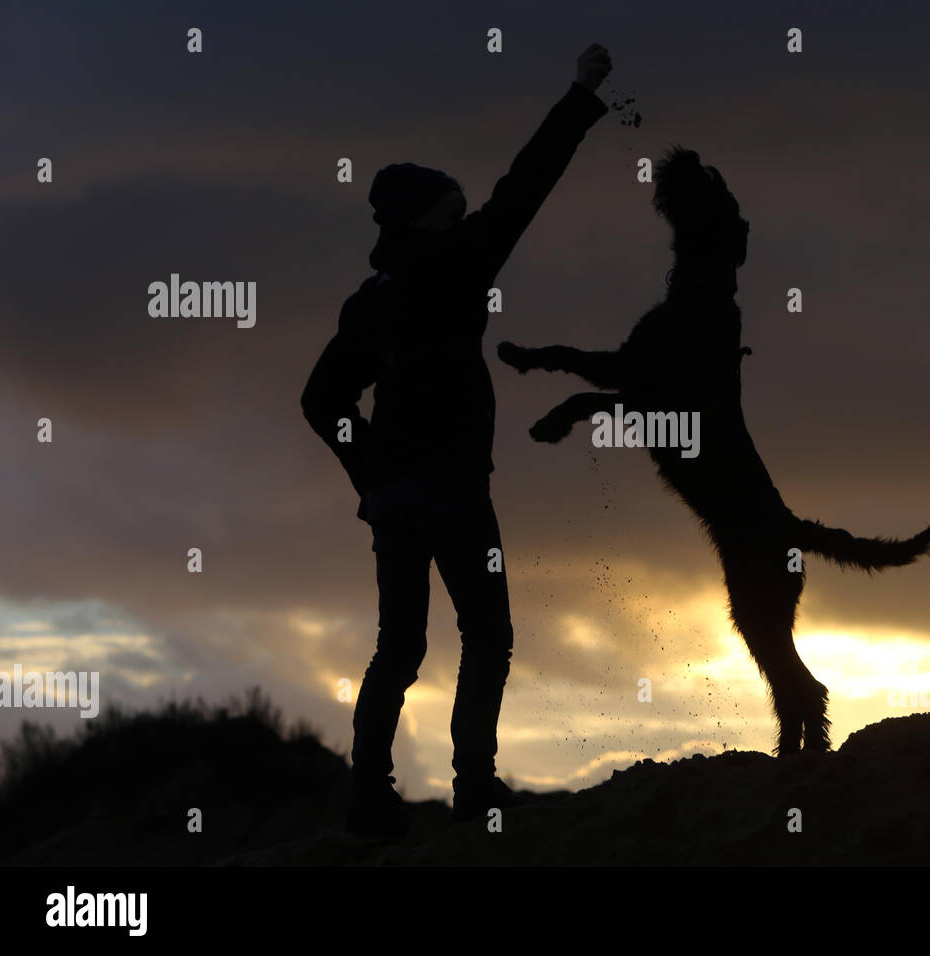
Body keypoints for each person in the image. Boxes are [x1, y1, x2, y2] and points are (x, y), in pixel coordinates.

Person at [301, 44, 612, 837]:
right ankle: (474, 787)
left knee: (396, 648)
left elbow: (320, 400)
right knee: (490, 633)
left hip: (393, 499)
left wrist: (366, 471)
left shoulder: (370, 298)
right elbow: (527, 184)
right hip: (453, 491)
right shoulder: (462, 263)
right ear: (427, 215)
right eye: (453, 202)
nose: (465, 209)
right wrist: (580, 94)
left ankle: (368, 801)